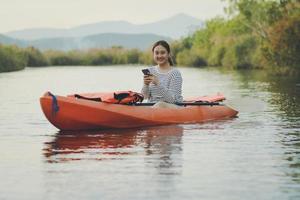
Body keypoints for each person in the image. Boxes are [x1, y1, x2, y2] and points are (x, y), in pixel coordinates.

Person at [141, 40, 183, 108]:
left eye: (163, 53)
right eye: (156, 53)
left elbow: (172, 100)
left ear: (168, 54)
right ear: (153, 54)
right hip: (152, 107)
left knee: (160, 105)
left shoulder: (175, 73)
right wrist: (146, 84)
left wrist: (158, 83)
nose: (159, 56)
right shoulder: (150, 70)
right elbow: (145, 97)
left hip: (172, 106)